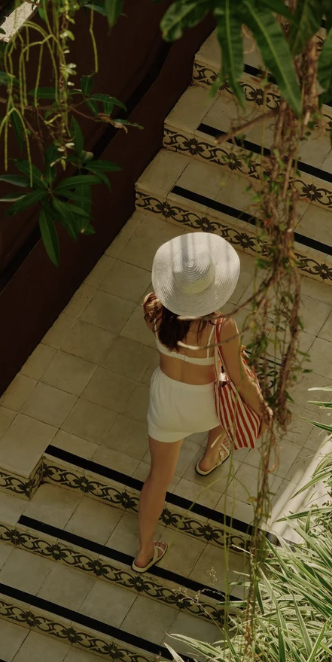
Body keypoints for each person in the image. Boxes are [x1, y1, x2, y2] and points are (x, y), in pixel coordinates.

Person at [133, 231, 271, 573]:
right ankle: (210, 457)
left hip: (166, 402)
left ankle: (144, 552)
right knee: (225, 397)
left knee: (158, 478)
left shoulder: (153, 308)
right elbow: (238, 381)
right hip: (206, 404)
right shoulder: (222, 327)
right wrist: (263, 410)